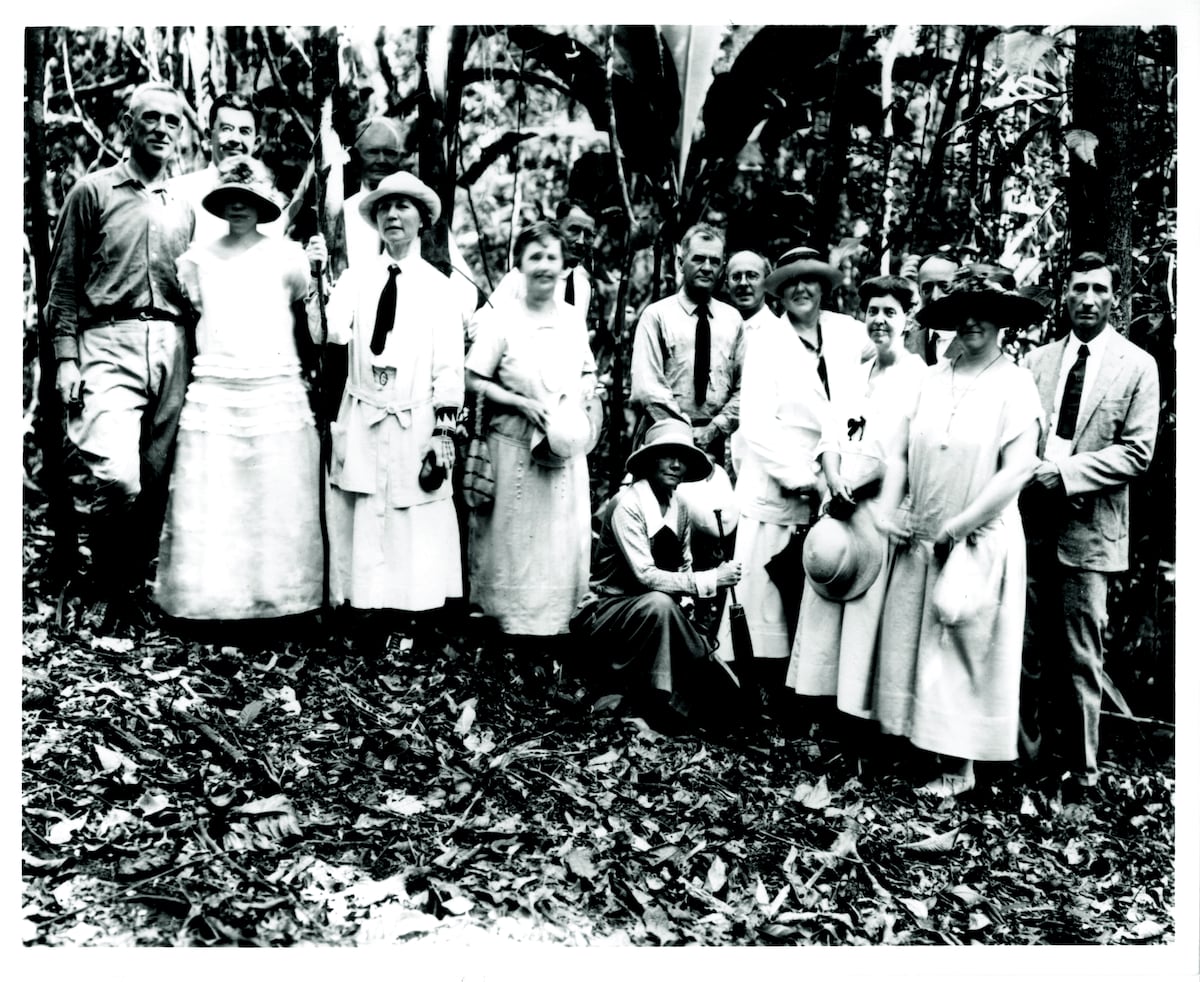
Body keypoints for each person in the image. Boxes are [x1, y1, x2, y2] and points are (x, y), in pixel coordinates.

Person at [872, 263, 1044, 796]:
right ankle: (919, 749)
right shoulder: (930, 379)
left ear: (1001, 321)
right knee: (919, 641)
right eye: (962, 314)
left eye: (984, 314)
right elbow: (899, 452)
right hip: (924, 529)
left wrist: (961, 525)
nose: (972, 323)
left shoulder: (1015, 383)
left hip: (979, 536)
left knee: (967, 645)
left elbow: (1019, 468)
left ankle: (960, 769)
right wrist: (886, 508)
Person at [48, 82, 195, 632]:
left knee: (156, 479)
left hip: (175, 347)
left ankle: (125, 591)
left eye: (171, 121)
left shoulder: (186, 206)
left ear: (181, 134)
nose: (161, 128)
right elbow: (62, 285)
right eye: (150, 118)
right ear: (127, 126)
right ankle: (106, 577)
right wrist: (66, 359)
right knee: (118, 478)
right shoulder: (93, 191)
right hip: (107, 343)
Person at [155, 158, 322, 621]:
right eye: (231, 199)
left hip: (272, 384)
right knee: (218, 494)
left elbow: (302, 304)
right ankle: (213, 602)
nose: (238, 206)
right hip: (219, 387)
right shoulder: (197, 259)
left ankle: (276, 601)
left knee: (273, 491)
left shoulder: (288, 257)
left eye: (248, 200)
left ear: (263, 205)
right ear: (219, 203)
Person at [1018, 252, 1160, 796]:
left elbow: (1138, 453)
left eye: (1100, 290)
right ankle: (1023, 761)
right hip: (1031, 528)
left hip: (1090, 533)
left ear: (1114, 300)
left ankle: (1083, 773)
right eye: (1079, 288)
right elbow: (1019, 436)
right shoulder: (1036, 363)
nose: (1088, 299)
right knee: (1024, 651)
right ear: (1065, 295)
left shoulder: (1137, 366)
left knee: (1081, 656)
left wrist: (1065, 474)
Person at [316, 171, 464, 654]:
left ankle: (411, 619)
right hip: (364, 409)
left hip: (414, 413)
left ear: (422, 219)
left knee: (412, 517)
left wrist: (444, 431)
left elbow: (448, 364)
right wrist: (318, 279)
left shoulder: (440, 287)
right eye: (384, 208)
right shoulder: (356, 277)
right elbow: (329, 333)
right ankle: (363, 614)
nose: (392, 216)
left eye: (403, 207)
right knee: (362, 509)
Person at [713, 246, 869, 703]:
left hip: (838, 481)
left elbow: (887, 359)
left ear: (824, 286)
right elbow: (756, 427)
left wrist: (841, 469)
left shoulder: (847, 333)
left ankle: (811, 698)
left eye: (812, 280)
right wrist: (808, 478)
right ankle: (756, 699)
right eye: (791, 282)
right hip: (778, 484)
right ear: (778, 291)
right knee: (765, 601)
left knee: (820, 592)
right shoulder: (765, 341)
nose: (802, 289)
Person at [785, 275, 927, 722]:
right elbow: (830, 436)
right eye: (873, 311)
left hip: (880, 511)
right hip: (839, 507)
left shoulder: (918, 377)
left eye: (890, 312)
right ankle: (822, 715)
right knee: (829, 604)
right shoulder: (855, 372)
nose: (879, 320)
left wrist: (858, 489)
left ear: (907, 320)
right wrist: (834, 481)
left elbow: (906, 454)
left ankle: (858, 721)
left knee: (867, 616)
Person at [465, 222, 597, 642]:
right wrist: (519, 403)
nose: (544, 266)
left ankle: (554, 626)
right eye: (535, 257)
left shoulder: (573, 319)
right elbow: (472, 379)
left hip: (561, 449)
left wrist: (578, 399)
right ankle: (507, 627)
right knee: (512, 541)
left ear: (563, 265)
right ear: (519, 264)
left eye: (551, 257)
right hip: (513, 448)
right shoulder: (502, 319)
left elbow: (589, 370)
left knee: (556, 540)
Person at [570, 419, 742, 731]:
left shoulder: (682, 508)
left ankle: (693, 697)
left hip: (657, 615)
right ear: (650, 459)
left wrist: (690, 609)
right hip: (608, 614)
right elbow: (646, 576)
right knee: (660, 605)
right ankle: (659, 703)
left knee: (723, 691)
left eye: (683, 459)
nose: (676, 465)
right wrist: (711, 579)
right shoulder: (627, 504)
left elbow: (683, 566)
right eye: (667, 456)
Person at [630, 223, 743, 465]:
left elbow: (746, 387)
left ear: (723, 266)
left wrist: (714, 429)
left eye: (714, 261)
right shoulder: (656, 315)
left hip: (713, 441)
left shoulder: (733, 320)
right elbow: (646, 387)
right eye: (698, 259)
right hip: (662, 438)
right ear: (681, 262)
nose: (706, 267)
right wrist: (682, 433)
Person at [169, 93, 284, 245]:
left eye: (244, 131)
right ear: (209, 136)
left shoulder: (269, 202)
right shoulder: (180, 192)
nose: (235, 140)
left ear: (256, 143)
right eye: (227, 129)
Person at [724, 250, 781, 475]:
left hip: (760, 461)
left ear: (766, 282)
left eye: (752, 276)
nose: (744, 283)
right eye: (736, 277)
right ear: (726, 283)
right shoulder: (716, 331)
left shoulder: (781, 335)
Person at [489, 199, 595, 312]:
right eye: (574, 230)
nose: (581, 241)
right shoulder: (522, 277)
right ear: (556, 229)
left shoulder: (582, 287)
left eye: (588, 235)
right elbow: (481, 324)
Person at [904, 253, 961, 365]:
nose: (935, 297)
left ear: (961, 287)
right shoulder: (905, 342)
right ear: (919, 291)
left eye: (945, 286)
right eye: (927, 288)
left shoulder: (986, 342)